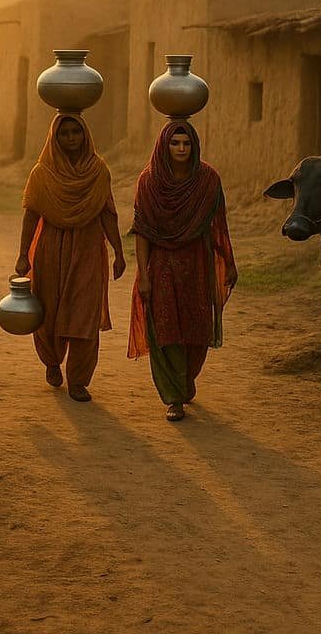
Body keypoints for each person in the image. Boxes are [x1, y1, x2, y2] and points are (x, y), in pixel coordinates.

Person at [129, 120, 236, 421]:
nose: (181, 149)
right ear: (164, 146)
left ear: (194, 146)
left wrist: (227, 262)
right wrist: (144, 276)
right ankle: (173, 397)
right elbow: (143, 232)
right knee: (166, 330)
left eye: (186, 144)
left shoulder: (208, 181)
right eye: (175, 143)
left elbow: (218, 228)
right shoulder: (149, 182)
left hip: (197, 264)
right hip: (161, 265)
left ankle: (186, 380)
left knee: (196, 330)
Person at [15, 114, 126, 402]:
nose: (71, 138)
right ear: (55, 138)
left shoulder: (98, 171)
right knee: (48, 312)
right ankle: (52, 362)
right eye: (64, 133)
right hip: (51, 249)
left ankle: (78, 380)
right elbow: (31, 214)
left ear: (86, 134)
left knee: (84, 316)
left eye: (76, 131)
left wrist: (118, 251)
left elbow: (107, 213)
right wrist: (23, 255)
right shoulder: (42, 173)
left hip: (89, 248)